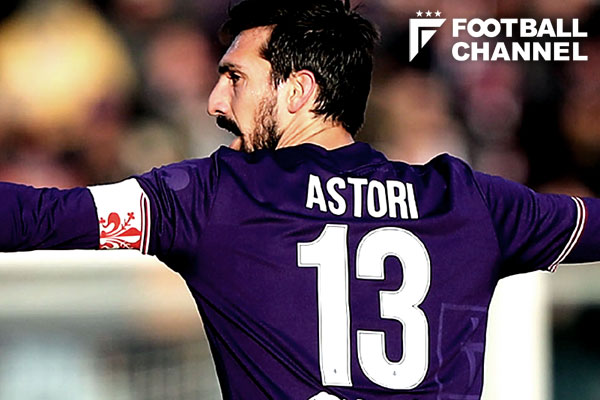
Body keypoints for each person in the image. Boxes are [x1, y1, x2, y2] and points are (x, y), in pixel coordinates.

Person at [1, 0, 599, 398]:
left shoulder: (211, 197)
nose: (214, 102)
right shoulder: (469, 202)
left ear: (299, 91)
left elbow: (34, 217)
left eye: (235, 78)